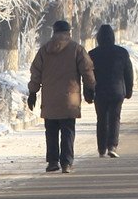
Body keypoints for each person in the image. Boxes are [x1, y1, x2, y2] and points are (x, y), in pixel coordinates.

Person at [27, 19, 95, 173]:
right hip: (70, 97)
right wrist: (91, 87)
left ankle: (52, 162)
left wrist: (32, 92)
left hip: (49, 98)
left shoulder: (44, 50)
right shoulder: (76, 49)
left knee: (50, 130)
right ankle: (66, 163)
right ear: (68, 32)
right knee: (68, 130)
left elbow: (35, 73)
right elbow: (87, 70)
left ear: (54, 32)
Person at [88, 24, 134, 158]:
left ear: (99, 38)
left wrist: (88, 93)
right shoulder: (122, 53)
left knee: (101, 119)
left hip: (100, 91)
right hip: (117, 91)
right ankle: (112, 146)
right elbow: (129, 74)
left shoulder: (92, 54)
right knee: (115, 117)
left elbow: (88, 76)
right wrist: (129, 90)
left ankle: (101, 148)